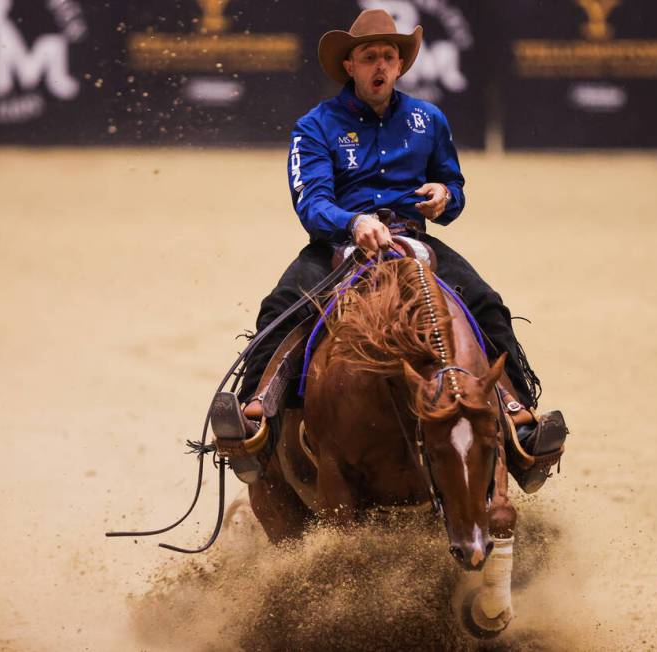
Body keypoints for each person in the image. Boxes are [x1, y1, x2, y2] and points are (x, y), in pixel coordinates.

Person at [214, 9, 566, 493]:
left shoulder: (429, 120)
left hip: (412, 240)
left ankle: (519, 420)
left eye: (388, 56)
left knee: (485, 303)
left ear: (400, 65)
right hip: (340, 243)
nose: (379, 65)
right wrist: (353, 222)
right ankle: (258, 419)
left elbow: (453, 185)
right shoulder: (314, 126)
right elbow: (311, 201)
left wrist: (446, 197)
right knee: (283, 306)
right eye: (368, 57)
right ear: (350, 67)